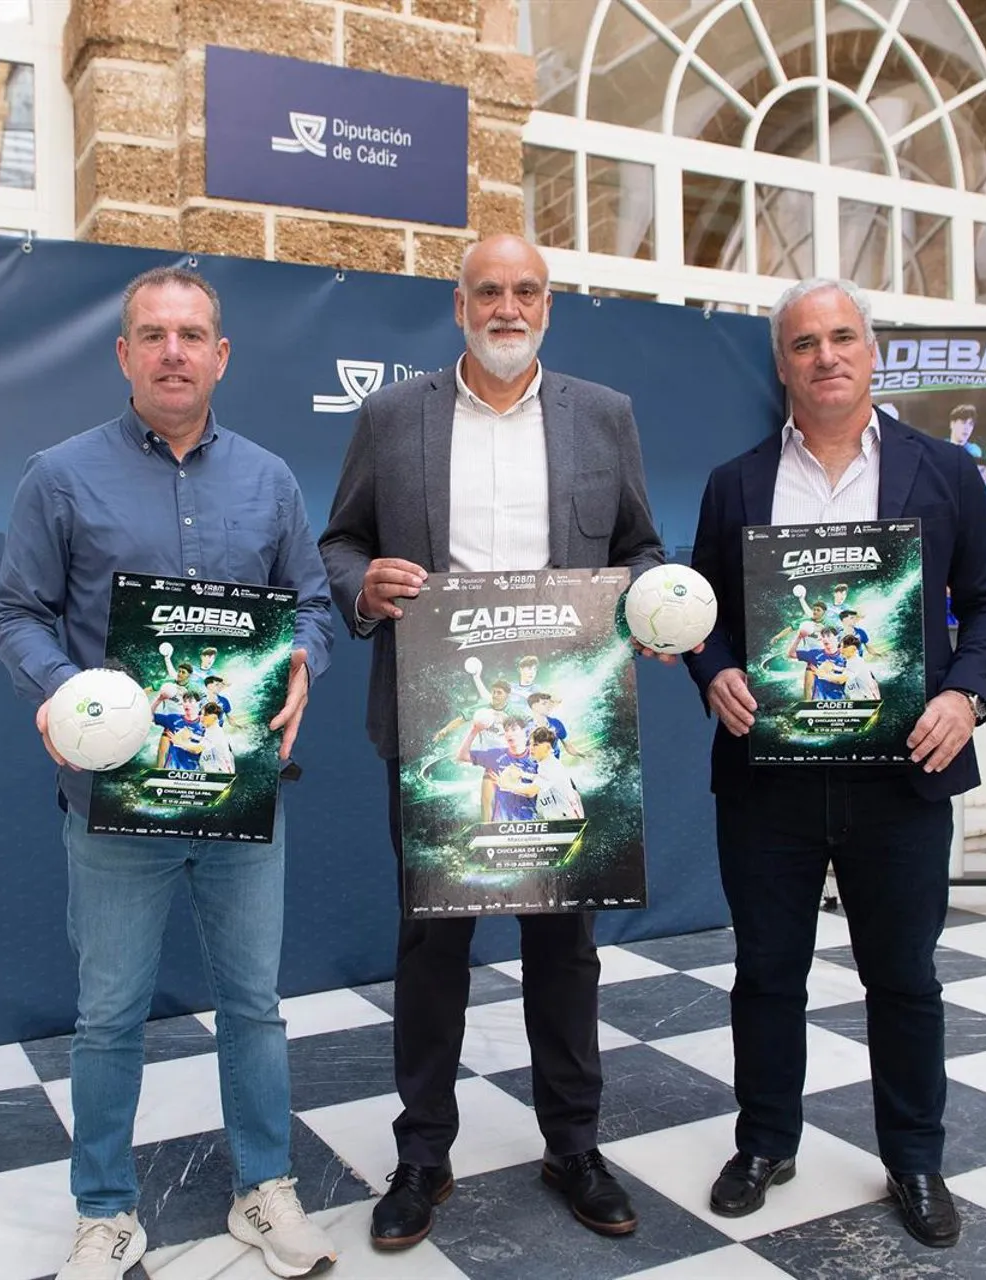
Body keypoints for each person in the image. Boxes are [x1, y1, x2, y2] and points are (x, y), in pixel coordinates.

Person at [0, 266, 339, 1280]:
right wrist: (60, 694)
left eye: (192, 334)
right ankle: (104, 1210)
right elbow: (17, 610)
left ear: (221, 354)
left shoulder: (269, 479)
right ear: (125, 354)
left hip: (241, 788)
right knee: (106, 1017)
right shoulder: (59, 474)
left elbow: (312, 602)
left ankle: (263, 1188)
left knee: (254, 1005)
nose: (174, 351)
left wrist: (304, 661)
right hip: (114, 802)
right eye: (154, 334)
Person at [319, 233, 666, 1250]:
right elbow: (339, 540)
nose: (507, 306)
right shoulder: (393, 417)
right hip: (441, 722)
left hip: (563, 724)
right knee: (434, 948)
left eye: (526, 290)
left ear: (548, 304)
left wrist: (647, 598)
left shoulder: (605, 414)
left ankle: (574, 1142)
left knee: (567, 949)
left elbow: (640, 544)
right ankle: (423, 1152)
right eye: (489, 290)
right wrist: (362, 583)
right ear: (457, 302)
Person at [683, 277, 986, 1250]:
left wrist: (967, 694)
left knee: (904, 976)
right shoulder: (735, 483)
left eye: (842, 338)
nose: (824, 356)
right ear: (779, 362)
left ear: (871, 352)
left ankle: (914, 1155)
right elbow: (704, 616)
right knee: (766, 970)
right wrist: (715, 671)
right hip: (769, 777)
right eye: (803, 343)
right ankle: (765, 1141)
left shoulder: (944, 473)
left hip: (902, 772)